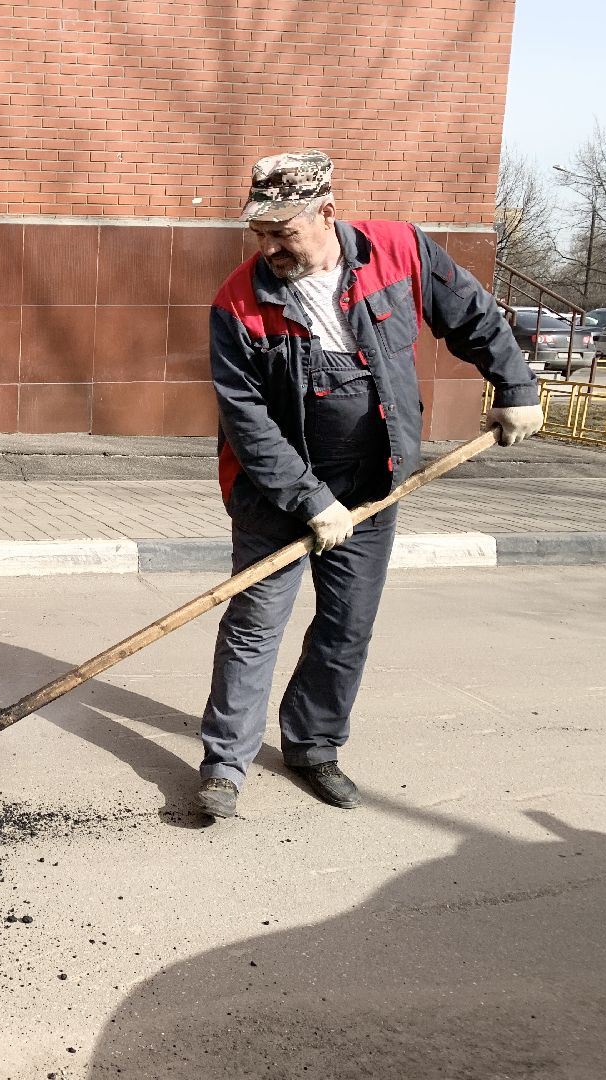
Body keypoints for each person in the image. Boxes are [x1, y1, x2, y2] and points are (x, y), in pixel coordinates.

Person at [197, 150, 543, 819]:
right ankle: (223, 766)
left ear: (327, 212)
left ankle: (315, 746)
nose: (268, 247)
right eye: (259, 234)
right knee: (253, 627)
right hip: (274, 494)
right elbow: (248, 421)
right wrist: (310, 500)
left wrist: (517, 385)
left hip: (374, 484)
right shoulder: (238, 304)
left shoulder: (398, 250)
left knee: (346, 627)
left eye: (283, 232)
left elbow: (472, 314)